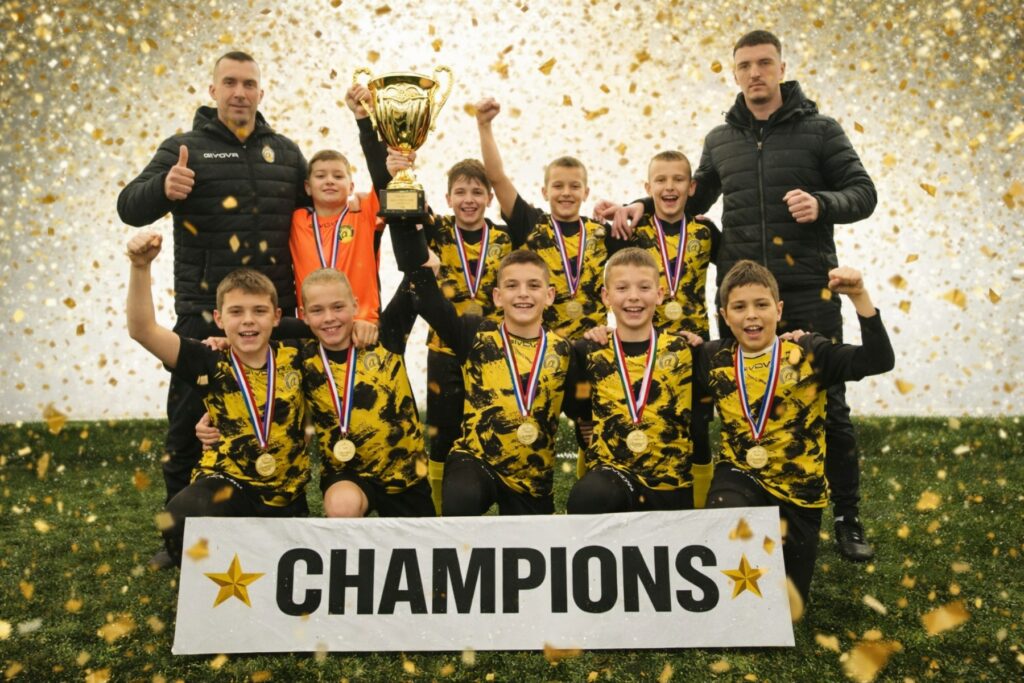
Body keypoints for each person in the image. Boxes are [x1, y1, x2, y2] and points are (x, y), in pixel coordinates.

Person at [610, 30, 879, 561]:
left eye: (764, 63)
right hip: (738, 295)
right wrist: (640, 204)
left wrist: (823, 203)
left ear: (782, 68)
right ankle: (750, 501)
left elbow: (864, 193)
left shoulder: (821, 130)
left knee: (828, 407)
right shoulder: (720, 139)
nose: (755, 73)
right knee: (739, 403)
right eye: (745, 66)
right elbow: (690, 196)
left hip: (805, 290)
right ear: (734, 74)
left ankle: (846, 516)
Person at [116, 51, 308, 567]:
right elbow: (129, 205)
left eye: (249, 83)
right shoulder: (184, 148)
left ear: (261, 92)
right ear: (213, 89)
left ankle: (285, 514)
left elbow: (318, 212)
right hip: (204, 312)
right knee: (185, 430)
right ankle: (177, 544)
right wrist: (162, 189)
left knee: (283, 423)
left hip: (273, 317)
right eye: (230, 82)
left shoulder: (286, 153)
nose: (239, 92)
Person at [695, 260, 894, 603]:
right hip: (741, 477)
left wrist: (859, 296)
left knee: (787, 605)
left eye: (761, 304)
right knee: (726, 512)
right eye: (739, 307)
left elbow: (878, 360)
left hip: (800, 495)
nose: (751, 315)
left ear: (779, 309)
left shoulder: (809, 352)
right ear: (724, 315)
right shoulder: (712, 357)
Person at [126, 232, 309, 566]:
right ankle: (201, 549)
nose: (248, 320)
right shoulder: (208, 358)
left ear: (277, 316)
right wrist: (140, 268)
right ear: (220, 318)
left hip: (287, 496)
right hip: (229, 483)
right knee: (177, 516)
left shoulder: (299, 356)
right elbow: (143, 330)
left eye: (259, 310)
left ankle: (250, 541)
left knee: (275, 561)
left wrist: (359, 324)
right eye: (236, 311)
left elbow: (333, 326)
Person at [198, 268, 434, 519]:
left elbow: (416, 281)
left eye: (338, 307)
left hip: (407, 474)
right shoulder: (299, 353)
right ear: (305, 316)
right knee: (342, 508)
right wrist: (228, 340)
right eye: (317, 311)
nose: (329, 318)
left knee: (423, 540)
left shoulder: (384, 336)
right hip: (346, 474)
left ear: (355, 305)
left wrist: (423, 256)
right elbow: (262, 330)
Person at [476, 97, 630, 477]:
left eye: (574, 186)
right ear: (544, 192)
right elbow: (497, 178)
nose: (566, 192)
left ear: (586, 192)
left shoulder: (601, 232)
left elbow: (647, 253)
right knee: (533, 423)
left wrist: (632, 208)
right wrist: (485, 126)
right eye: (557, 186)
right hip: (541, 348)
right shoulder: (532, 224)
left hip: (591, 346)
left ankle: (592, 483)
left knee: (593, 424)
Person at [391, 218, 579, 516]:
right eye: (512, 286)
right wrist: (409, 232)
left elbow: (581, 408)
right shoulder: (474, 333)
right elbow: (428, 302)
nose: (523, 293)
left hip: (532, 478)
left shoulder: (565, 350)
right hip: (476, 461)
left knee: (530, 541)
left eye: (533, 285)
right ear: (497, 296)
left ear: (550, 295)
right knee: (462, 496)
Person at [565, 248, 713, 514]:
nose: (633, 296)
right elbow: (581, 413)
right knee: (590, 497)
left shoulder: (685, 350)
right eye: (622, 288)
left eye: (644, 287)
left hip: (672, 484)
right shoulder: (587, 350)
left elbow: (700, 425)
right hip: (613, 476)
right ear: (606, 296)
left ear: (659, 294)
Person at [420, 159, 516, 514]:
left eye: (477, 192)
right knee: (441, 431)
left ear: (490, 197)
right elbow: (404, 208)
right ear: (448, 198)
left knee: (495, 426)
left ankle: (498, 492)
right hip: (443, 349)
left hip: (491, 353)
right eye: (460, 192)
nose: (469, 199)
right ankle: (438, 513)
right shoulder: (436, 231)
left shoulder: (505, 238)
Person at [289, 84, 391, 341]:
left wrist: (365, 119)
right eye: (321, 176)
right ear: (307, 187)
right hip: (312, 329)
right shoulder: (296, 220)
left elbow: (384, 177)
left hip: (362, 327)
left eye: (338, 176)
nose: (329, 181)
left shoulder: (364, 210)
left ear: (351, 186)